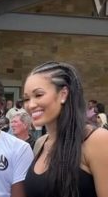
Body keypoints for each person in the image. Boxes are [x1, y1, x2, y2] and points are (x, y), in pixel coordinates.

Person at [22, 61, 108, 197]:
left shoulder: (97, 140)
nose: (30, 105)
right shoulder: (40, 143)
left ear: (63, 94)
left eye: (38, 95)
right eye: (26, 99)